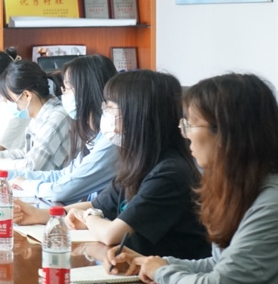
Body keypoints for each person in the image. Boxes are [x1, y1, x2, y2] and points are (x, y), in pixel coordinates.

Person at [109, 74, 278, 284]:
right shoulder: (242, 190)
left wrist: (161, 272)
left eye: (190, 124)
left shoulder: (271, 204)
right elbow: (220, 264)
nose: (185, 133)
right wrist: (152, 262)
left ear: (226, 133)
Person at [27, 70, 209, 258]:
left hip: (168, 273)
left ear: (137, 114)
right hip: (137, 267)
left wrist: (88, 217)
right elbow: (97, 204)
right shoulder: (138, 161)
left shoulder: (170, 172)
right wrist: (37, 215)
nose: (104, 113)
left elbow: (111, 234)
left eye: (110, 108)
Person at [10, 55, 119, 216]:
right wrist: (11, 176)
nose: (63, 95)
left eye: (66, 89)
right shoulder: (94, 135)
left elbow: (63, 190)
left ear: (86, 91)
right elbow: (64, 175)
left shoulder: (112, 140)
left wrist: (26, 184)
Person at [0, 60, 72, 172]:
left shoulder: (57, 117)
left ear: (27, 95)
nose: (7, 103)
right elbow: (26, 153)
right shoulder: (39, 115)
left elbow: (32, 166)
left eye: (10, 99)